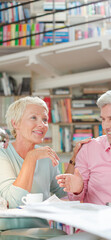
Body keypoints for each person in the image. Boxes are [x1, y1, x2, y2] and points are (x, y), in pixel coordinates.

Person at [0, 96, 70, 238]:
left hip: (42, 231)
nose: (42, 125)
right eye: (34, 118)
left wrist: (75, 159)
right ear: (16, 123)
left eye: (44, 120)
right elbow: (15, 203)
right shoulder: (2, 153)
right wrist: (32, 157)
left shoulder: (46, 157)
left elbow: (63, 194)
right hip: (6, 233)